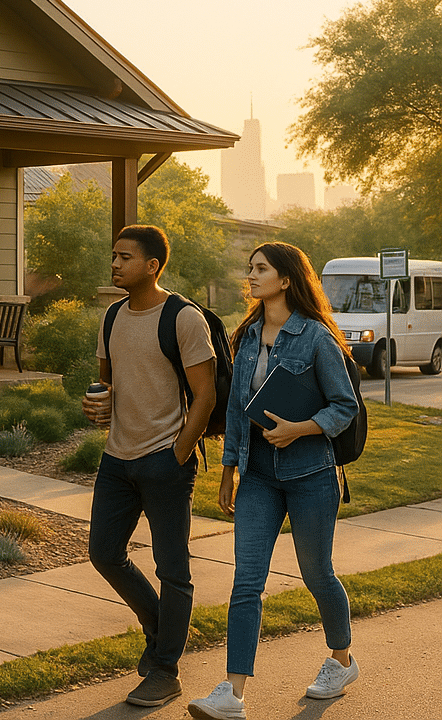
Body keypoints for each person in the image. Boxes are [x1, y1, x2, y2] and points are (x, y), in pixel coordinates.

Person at [188, 242, 360, 720]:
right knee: (247, 581)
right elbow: (236, 411)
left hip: (311, 474)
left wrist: (299, 428)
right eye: (250, 268)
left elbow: (344, 406)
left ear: (286, 279)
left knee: (317, 573)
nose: (251, 275)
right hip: (259, 475)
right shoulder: (246, 336)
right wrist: (229, 470)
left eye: (260, 269)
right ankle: (233, 692)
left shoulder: (316, 337)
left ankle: (342, 661)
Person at [82, 224, 216, 708]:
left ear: (152, 265)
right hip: (116, 460)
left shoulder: (183, 318)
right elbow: (107, 382)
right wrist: (98, 404)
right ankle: (161, 626)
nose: (115, 264)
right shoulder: (112, 316)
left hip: (165, 462)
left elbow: (205, 395)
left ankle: (165, 670)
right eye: (113, 256)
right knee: (104, 553)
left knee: (173, 570)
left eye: (125, 257)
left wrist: (177, 453)